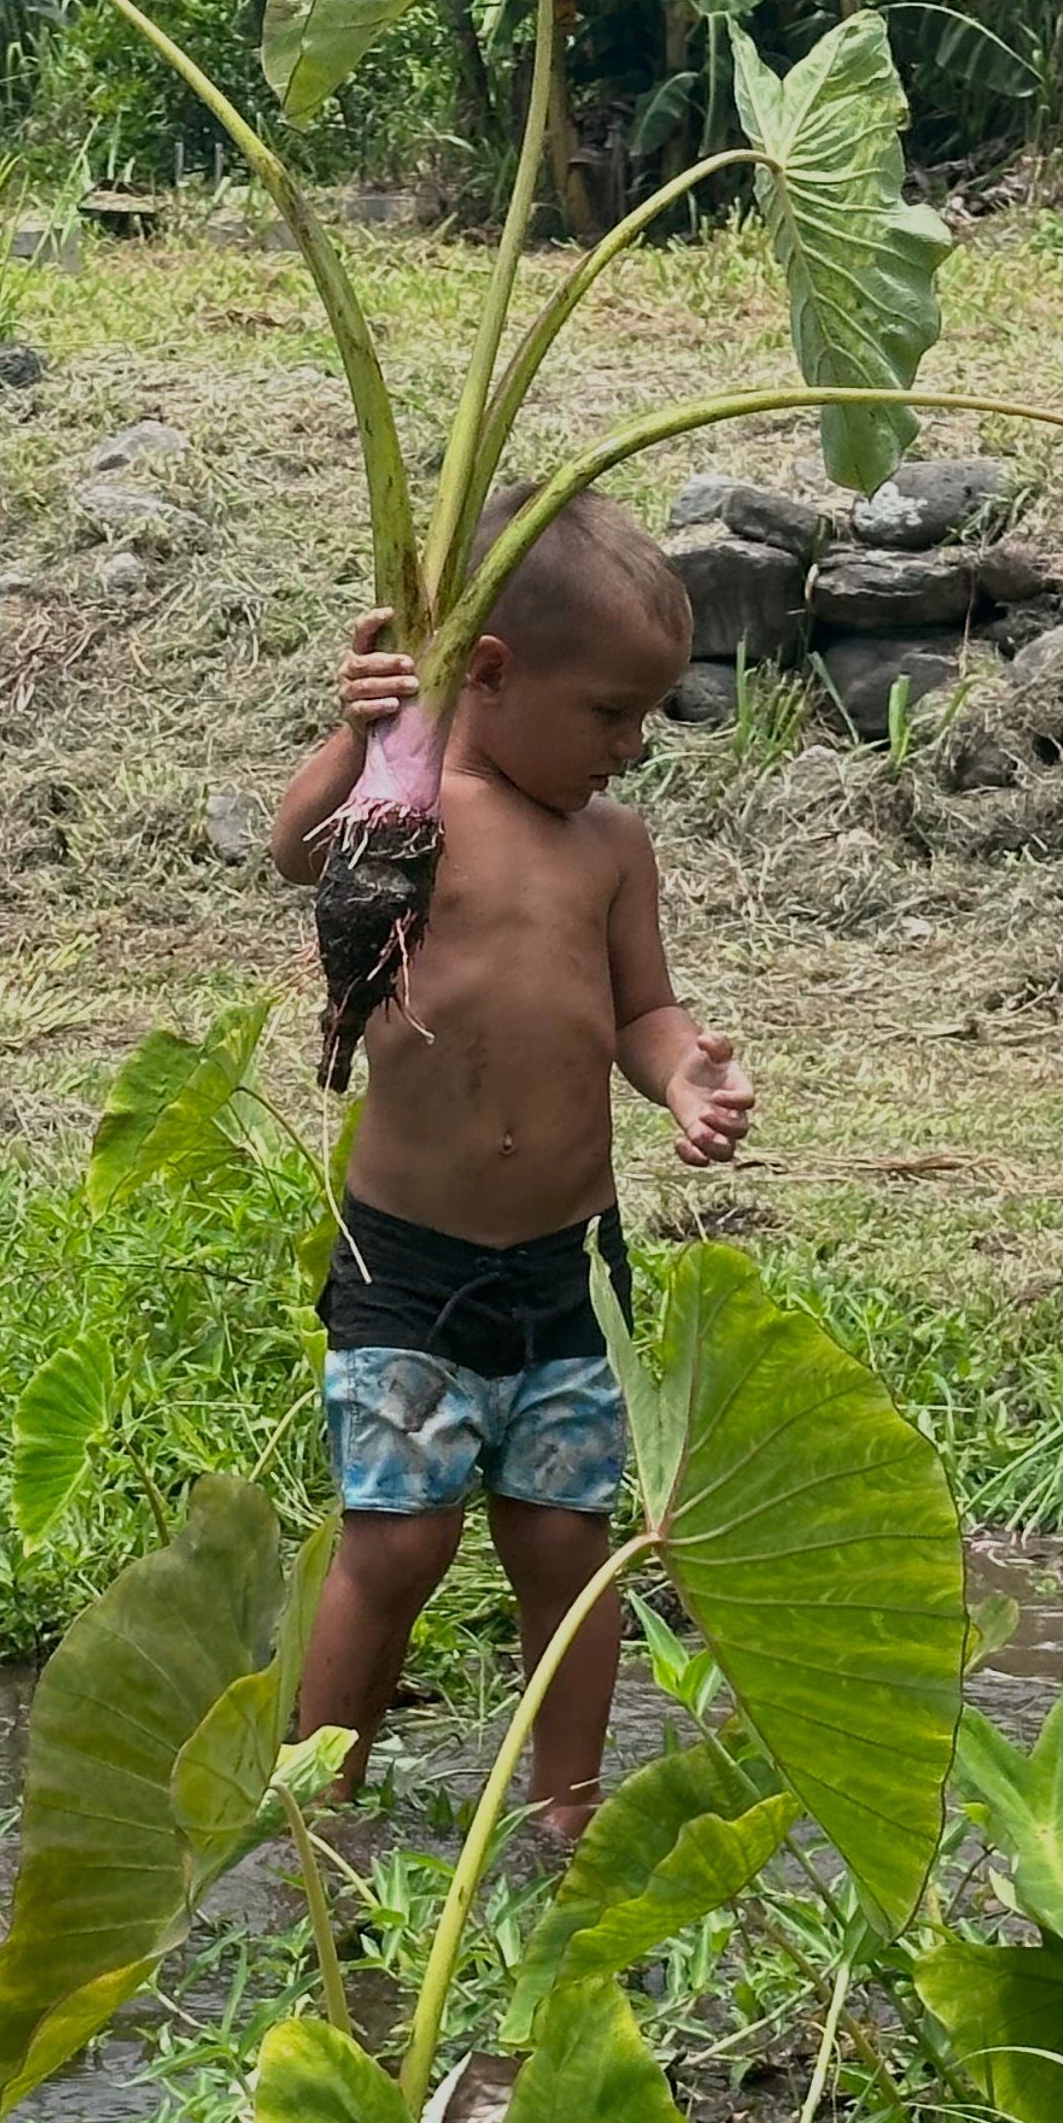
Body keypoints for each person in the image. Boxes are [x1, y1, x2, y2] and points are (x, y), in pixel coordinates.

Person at [269, 490, 755, 1840]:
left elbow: (641, 1012)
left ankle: (566, 1807)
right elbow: (291, 852)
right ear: (489, 671)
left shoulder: (612, 849)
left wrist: (682, 1077)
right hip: (409, 1263)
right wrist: (362, 734)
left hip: (566, 1267)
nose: (632, 748)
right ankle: (323, 1807)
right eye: (609, 714)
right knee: (398, 1540)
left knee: (565, 1543)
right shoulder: (408, 815)